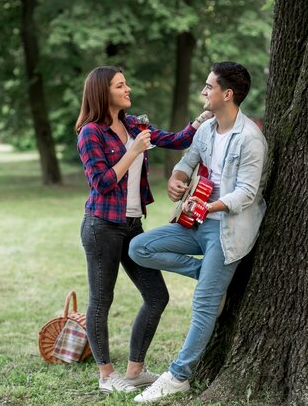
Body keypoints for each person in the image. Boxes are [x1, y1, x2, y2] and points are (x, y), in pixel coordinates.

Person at [128, 62, 268, 403]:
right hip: (196, 223)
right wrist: (177, 180)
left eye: (209, 87)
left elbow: (247, 194)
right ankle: (212, 277)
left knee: (204, 304)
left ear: (227, 94)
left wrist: (209, 207)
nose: (204, 92)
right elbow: (186, 163)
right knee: (139, 248)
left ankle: (178, 376)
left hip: (228, 228)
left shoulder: (250, 137)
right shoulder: (206, 130)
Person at [76, 65, 212, 394]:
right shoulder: (90, 133)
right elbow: (103, 183)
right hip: (102, 227)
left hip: (133, 226)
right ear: (102, 92)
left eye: (126, 84)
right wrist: (132, 151)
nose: (128, 89)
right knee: (101, 299)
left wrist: (202, 118)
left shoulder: (135, 124)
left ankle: (135, 370)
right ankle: (107, 375)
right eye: (121, 86)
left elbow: (179, 140)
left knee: (156, 296)